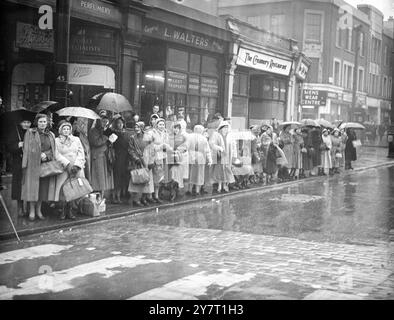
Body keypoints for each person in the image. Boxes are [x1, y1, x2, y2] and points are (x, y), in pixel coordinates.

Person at [21, 114, 59, 221]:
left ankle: (39, 210)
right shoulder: (30, 133)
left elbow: (53, 151)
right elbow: (26, 149)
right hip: (33, 165)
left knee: (42, 189)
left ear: (47, 123)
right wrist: (38, 155)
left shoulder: (50, 135)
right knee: (32, 188)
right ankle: (32, 211)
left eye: (44, 122)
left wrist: (46, 155)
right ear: (36, 122)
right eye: (40, 122)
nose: (42, 124)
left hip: (45, 166)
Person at [54, 121, 86, 220]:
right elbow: (56, 154)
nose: (66, 131)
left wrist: (76, 165)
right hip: (63, 167)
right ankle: (63, 209)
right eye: (64, 129)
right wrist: (66, 163)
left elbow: (81, 153)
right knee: (63, 188)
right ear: (60, 130)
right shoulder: (56, 141)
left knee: (74, 188)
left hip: (75, 168)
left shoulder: (76, 140)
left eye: (68, 129)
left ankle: (71, 209)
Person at [5, 118, 31, 216]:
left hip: (30, 162)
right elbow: (8, 147)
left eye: (28, 122)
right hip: (18, 162)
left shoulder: (32, 132)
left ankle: (28, 206)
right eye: (24, 122)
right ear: (20, 123)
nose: (26, 124)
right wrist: (17, 145)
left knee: (29, 184)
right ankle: (20, 207)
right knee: (18, 185)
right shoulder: (14, 132)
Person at [128, 121, 153, 207]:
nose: (136, 129)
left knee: (146, 180)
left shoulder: (147, 137)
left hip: (146, 159)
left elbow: (151, 148)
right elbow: (130, 150)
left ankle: (144, 198)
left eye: (138, 127)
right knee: (138, 179)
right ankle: (136, 199)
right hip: (137, 161)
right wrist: (136, 158)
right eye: (135, 127)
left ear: (142, 128)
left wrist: (151, 161)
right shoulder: (132, 138)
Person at [88, 115, 114, 198]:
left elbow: (104, 142)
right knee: (98, 177)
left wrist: (110, 140)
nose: (105, 123)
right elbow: (96, 142)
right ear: (98, 121)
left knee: (103, 177)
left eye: (106, 122)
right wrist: (106, 137)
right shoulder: (93, 131)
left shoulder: (103, 130)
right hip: (97, 156)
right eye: (103, 121)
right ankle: (97, 196)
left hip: (104, 155)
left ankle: (102, 196)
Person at [109, 115, 131, 204]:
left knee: (122, 177)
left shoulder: (126, 134)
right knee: (116, 178)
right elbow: (109, 144)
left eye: (121, 123)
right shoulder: (113, 133)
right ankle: (114, 196)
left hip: (125, 157)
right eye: (118, 123)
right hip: (117, 158)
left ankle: (119, 196)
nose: (120, 125)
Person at [187, 124, 212, 196]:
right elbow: (207, 150)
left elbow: (186, 147)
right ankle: (197, 191)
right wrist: (210, 159)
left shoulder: (189, 137)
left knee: (191, 173)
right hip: (201, 157)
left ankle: (189, 190)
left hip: (191, 156)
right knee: (199, 174)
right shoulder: (203, 139)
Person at [208, 122, 233, 193]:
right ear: (221, 128)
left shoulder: (229, 136)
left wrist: (233, 156)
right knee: (219, 171)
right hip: (219, 156)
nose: (226, 129)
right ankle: (219, 186)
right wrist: (219, 148)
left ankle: (225, 185)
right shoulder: (216, 135)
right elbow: (211, 144)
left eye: (227, 128)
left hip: (227, 156)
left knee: (226, 171)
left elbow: (232, 147)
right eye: (224, 128)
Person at [151, 118, 172, 203]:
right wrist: (160, 146)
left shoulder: (166, 134)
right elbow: (151, 146)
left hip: (164, 157)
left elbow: (169, 145)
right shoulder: (153, 133)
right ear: (156, 125)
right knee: (156, 176)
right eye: (160, 124)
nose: (162, 126)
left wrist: (168, 148)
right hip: (156, 157)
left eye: (163, 124)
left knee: (162, 177)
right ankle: (154, 195)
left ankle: (158, 194)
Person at [167, 122, 188, 196]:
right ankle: (171, 189)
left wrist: (179, 150)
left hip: (178, 158)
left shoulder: (182, 137)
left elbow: (186, 147)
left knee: (178, 173)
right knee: (171, 173)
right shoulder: (169, 137)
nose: (176, 130)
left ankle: (177, 188)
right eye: (174, 128)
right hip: (170, 157)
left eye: (177, 128)